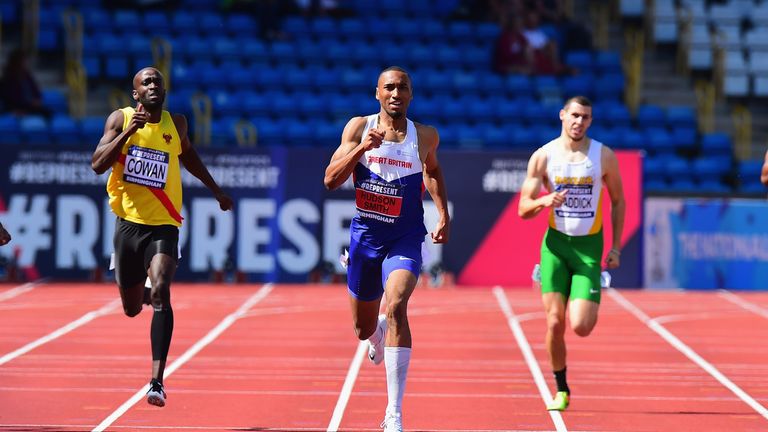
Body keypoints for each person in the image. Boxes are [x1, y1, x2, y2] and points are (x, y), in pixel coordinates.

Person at [91, 67, 233, 408]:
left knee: (162, 288)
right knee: (130, 308)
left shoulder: (177, 123)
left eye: (158, 81)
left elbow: (190, 157)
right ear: (136, 94)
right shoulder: (120, 119)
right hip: (127, 225)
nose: (153, 85)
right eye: (146, 83)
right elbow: (97, 164)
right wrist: (128, 134)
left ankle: (157, 380)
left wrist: (217, 191)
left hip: (164, 224)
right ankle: (143, 294)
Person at [323, 66, 450, 432]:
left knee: (395, 305)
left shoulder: (425, 135)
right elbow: (330, 179)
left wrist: (443, 213)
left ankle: (393, 412)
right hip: (365, 237)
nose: (396, 93)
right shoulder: (357, 128)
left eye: (403, 88)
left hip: (405, 236)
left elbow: (434, 171)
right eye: (389, 88)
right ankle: (375, 334)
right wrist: (363, 148)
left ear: (411, 94)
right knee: (362, 329)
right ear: (377, 93)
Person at [517, 95, 625, 411]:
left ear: (591, 121)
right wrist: (543, 201)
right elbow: (524, 208)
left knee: (580, 326)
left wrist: (616, 246)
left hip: (589, 249)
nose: (579, 122)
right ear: (562, 115)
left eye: (586, 117)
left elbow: (618, 201)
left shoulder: (603, 156)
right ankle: (561, 388)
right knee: (554, 323)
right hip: (555, 247)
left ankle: (592, 282)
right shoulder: (543, 156)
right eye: (575, 115)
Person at [0, 48, 52, 118]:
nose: (26, 63)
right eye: (23, 60)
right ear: (17, 61)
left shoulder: (27, 76)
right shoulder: (8, 78)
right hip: (16, 108)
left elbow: (36, 91)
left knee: (48, 112)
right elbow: (8, 99)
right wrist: (16, 110)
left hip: (29, 106)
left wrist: (36, 100)